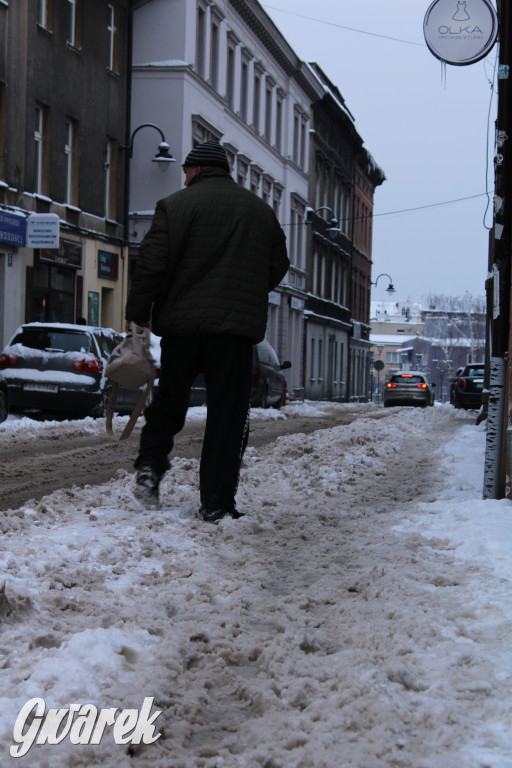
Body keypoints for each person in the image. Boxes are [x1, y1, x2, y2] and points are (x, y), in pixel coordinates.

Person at [125, 140, 290, 521]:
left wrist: (139, 315)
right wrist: (246, 288)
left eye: (185, 171)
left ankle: (150, 467)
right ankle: (216, 502)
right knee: (227, 416)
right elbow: (278, 264)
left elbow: (151, 265)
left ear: (197, 170)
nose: (182, 178)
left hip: (183, 328)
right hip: (233, 333)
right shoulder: (260, 211)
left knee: (169, 403)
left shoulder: (174, 207)